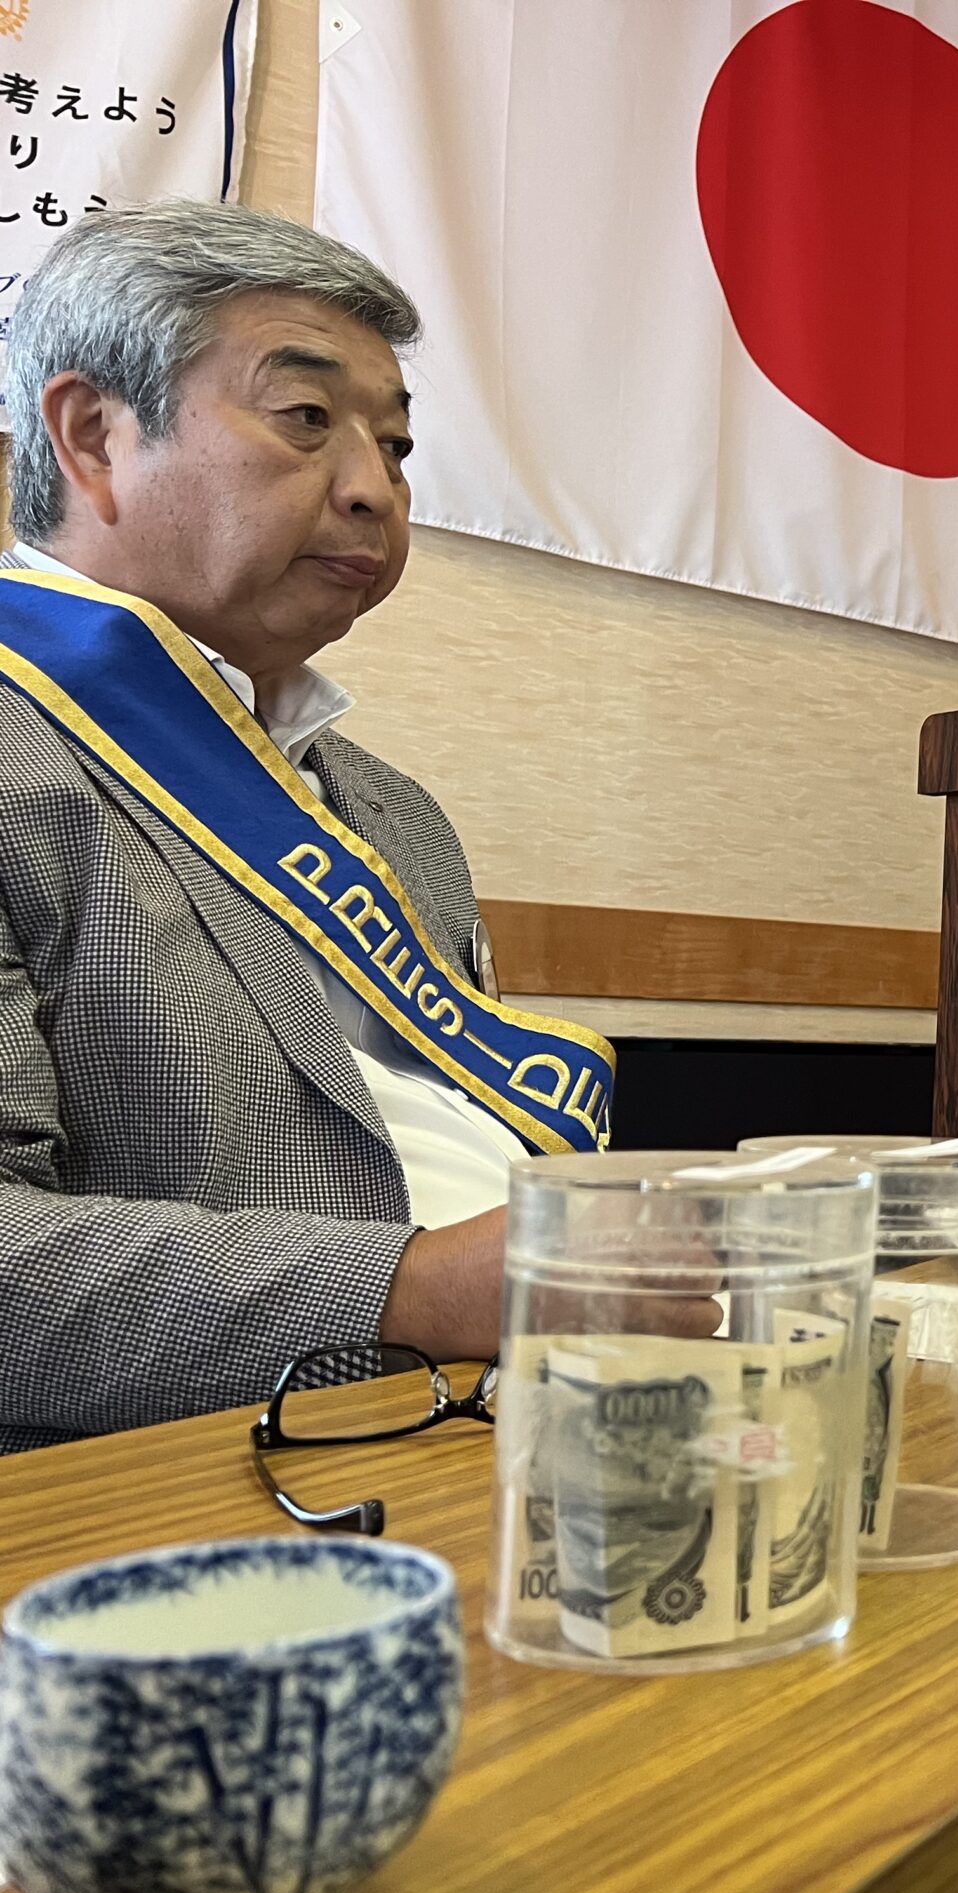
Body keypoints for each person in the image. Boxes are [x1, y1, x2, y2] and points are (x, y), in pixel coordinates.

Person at [0, 202, 612, 1451]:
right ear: (93, 434)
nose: (372, 491)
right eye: (306, 419)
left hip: (519, 1419)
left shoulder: (395, 815)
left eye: (394, 446)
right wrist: (422, 1285)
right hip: (199, 1487)